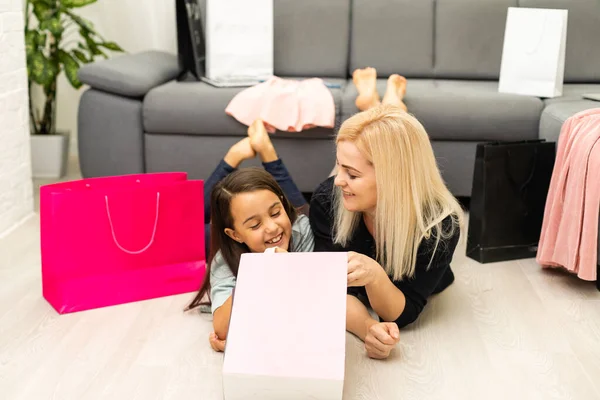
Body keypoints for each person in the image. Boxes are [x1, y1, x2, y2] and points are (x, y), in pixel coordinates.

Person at [309, 68, 464, 360]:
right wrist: (368, 328)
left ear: (392, 179)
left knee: (396, 136)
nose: (339, 180)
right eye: (338, 166)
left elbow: (404, 314)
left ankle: (384, 103)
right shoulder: (328, 198)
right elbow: (330, 290)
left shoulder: (440, 226)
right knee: (385, 131)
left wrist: (375, 275)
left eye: (351, 174)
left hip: (419, 276)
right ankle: (384, 105)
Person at [185, 120, 314, 352]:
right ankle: (233, 158)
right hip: (229, 237)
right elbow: (222, 327)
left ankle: (268, 154)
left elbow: (307, 305)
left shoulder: (300, 229)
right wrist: (258, 274)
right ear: (235, 234)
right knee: (184, 231)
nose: (271, 228)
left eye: (276, 213)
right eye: (255, 225)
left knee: (301, 211)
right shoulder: (224, 257)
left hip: (296, 218)